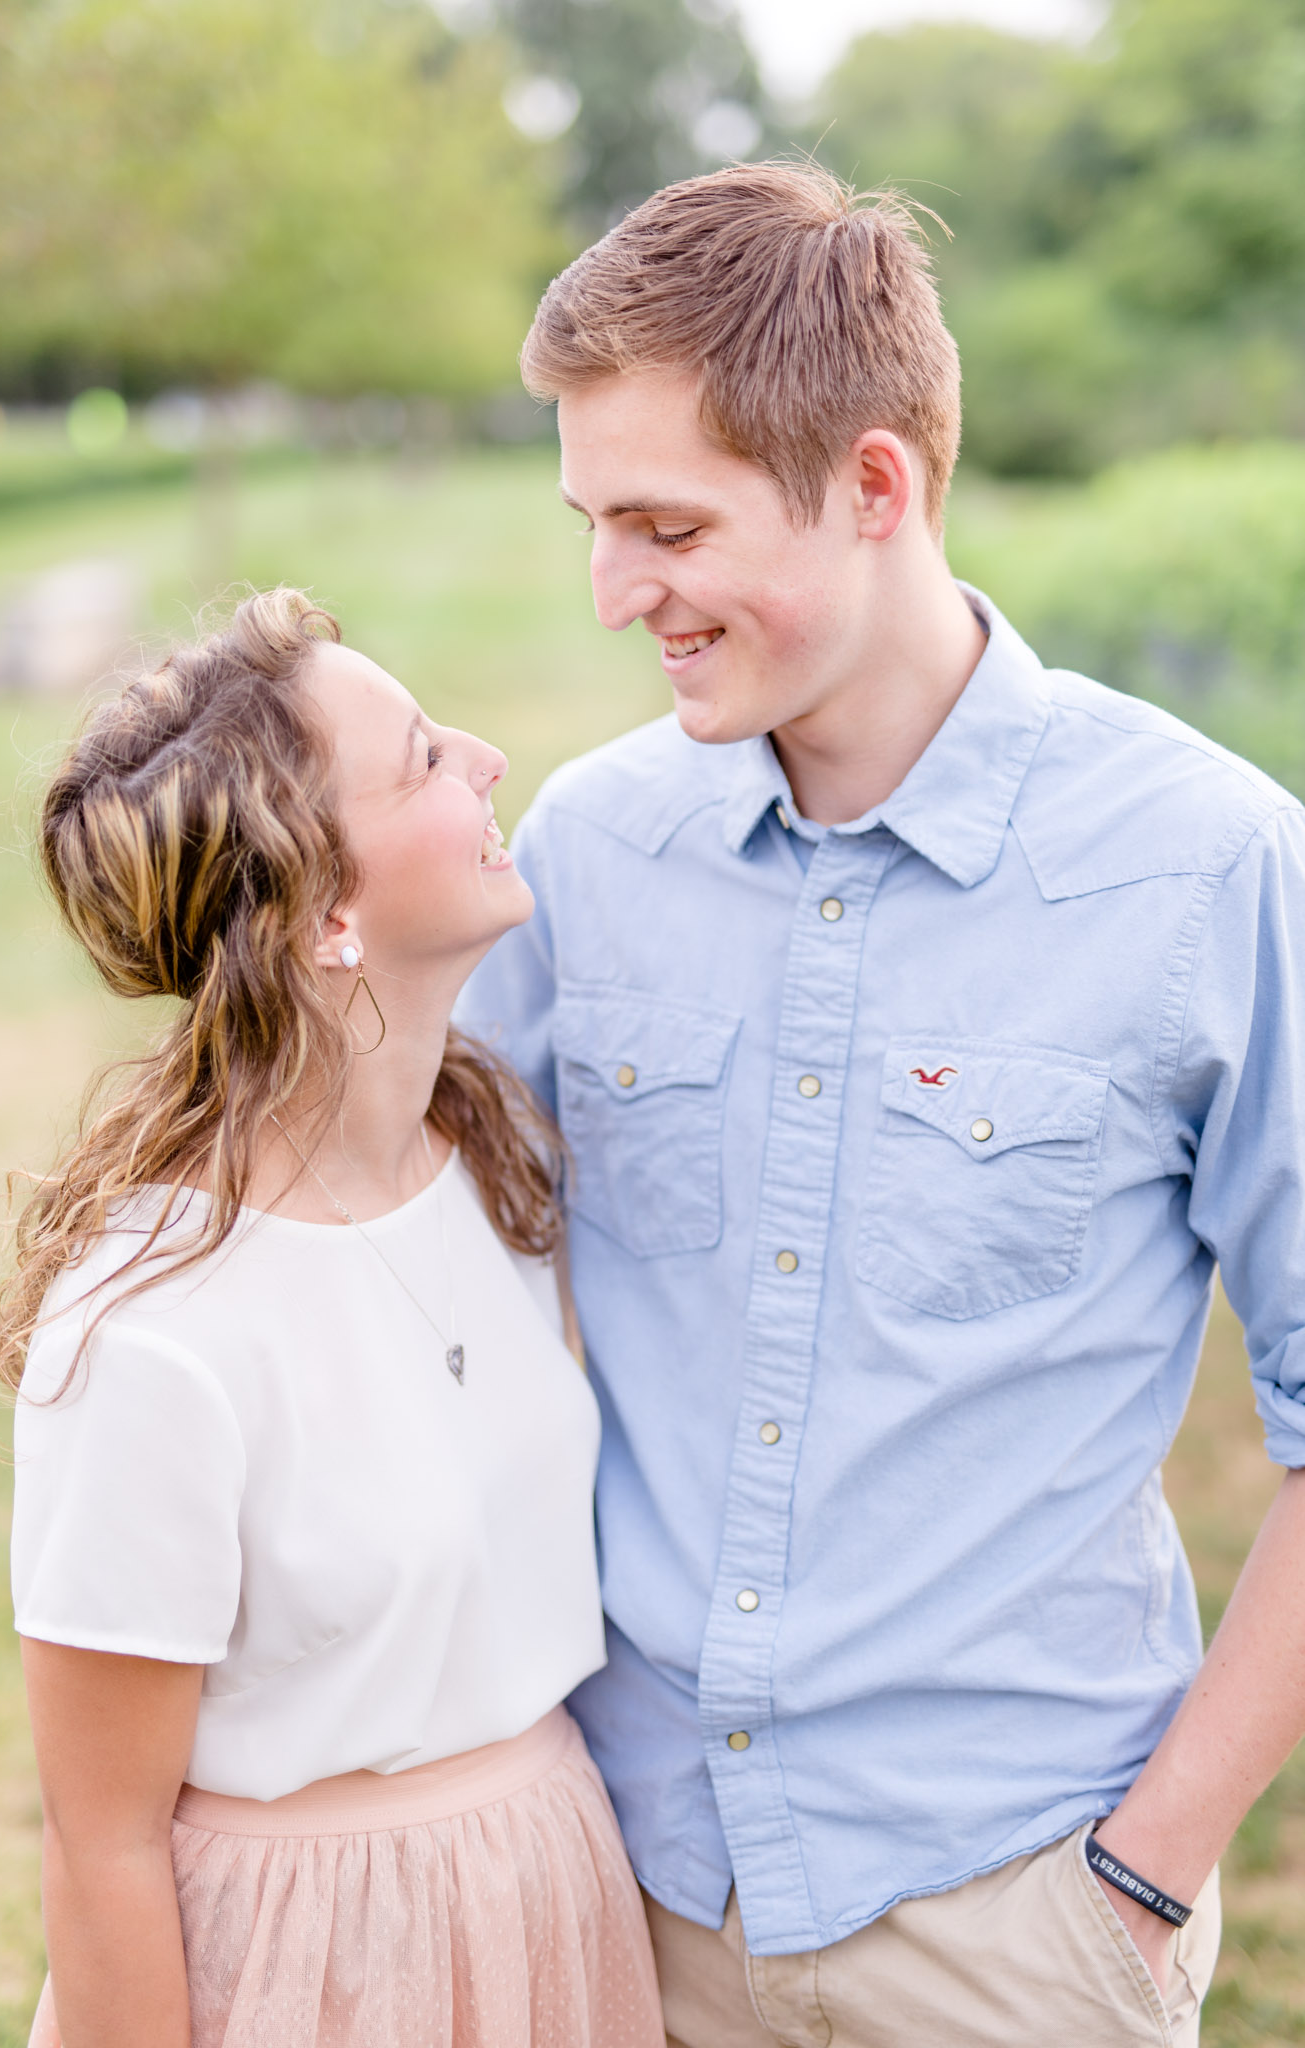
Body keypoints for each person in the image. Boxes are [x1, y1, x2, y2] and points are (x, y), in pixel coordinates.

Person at [458, 161, 1305, 2047]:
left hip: (1015, 1921)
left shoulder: (1211, 869)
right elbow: (417, 1281)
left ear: (873, 485)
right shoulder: (586, 855)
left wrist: (1152, 1868)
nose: (615, 594)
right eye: (594, 525)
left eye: (665, 526)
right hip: (625, 1900)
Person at [0, 589, 664, 2048]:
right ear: (324, 914)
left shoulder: (495, 1161)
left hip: (554, 1903)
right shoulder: (151, 1333)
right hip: (314, 1970)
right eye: (424, 756)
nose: (487, 758)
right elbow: (98, 1841)